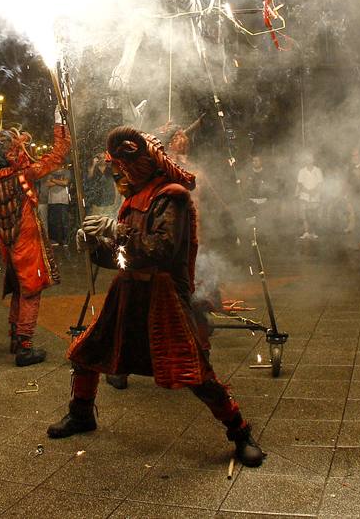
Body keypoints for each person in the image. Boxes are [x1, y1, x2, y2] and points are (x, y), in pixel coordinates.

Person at [48, 126, 265, 468]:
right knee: (88, 352)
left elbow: (161, 250)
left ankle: (240, 432)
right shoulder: (132, 200)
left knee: (195, 372)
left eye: (120, 169)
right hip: (128, 290)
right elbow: (122, 258)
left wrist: (117, 232)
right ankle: (81, 414)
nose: (117, 177)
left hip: (162, 296)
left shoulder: (172, 197)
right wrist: (95, 247)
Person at [0, 111, 70, 365]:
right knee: (31, 290)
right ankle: (24, 346)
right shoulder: (26, 175)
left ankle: (14, 338)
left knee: (20, 289)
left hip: (7, 244)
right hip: (26, 241)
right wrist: (59, 125)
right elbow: (58, 154)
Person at [295, 154, 322, 241]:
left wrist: (314, 191)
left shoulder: (318, 170)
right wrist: (307, 191)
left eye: (310, 159)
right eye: (307, 159)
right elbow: (300, 183)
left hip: (315, 196)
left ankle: (313, 232)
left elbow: (320, 183)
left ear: (313, 160)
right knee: (304, 214)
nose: (309, 161)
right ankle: (306, 232)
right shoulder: (301, 171)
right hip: (304, 195)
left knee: (313, 214)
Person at [45, 166, 72, 246]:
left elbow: (65, 183)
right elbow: (47, 184)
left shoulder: (66, 172)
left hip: (63, 200)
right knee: (54, 221)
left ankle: (65, 240)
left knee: (64, 221)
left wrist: (53, 180)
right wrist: (60, 182)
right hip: (52, 200)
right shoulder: (50, 171)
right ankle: (54, 240)